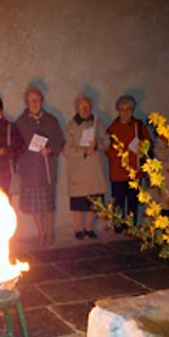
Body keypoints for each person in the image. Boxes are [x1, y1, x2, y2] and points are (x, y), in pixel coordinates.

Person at [15, 86, 65, 246]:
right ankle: (41, 233)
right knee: (36, 206)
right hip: (30, 170)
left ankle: (49, 233)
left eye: (37, 100)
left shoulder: (51, 120)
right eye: (31, 101)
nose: (35, 103)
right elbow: (17, 145)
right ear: (27, 102)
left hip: (47, 168)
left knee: (48, 205)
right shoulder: (20, 123)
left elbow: (59, 140)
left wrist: (50, 149)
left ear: (42, 101)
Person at [64, 94, 109, 239]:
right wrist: (83, 151)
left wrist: (97, 146)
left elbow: (107, 142)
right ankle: (78, 228)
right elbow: (67, 149)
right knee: (78, 202)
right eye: (82, 107)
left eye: (88, 107)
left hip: (94, 170)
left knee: (93, 202)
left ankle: (89, 228)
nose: (85, 109)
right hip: (78, 170)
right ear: (77, 108)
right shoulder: (70, 126)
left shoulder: (97, 123)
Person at [106, 94, 152, 231]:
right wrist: (121, 152)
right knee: (118, 202)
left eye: (128, 110)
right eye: (122, 110)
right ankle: (118, 226)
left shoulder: (139, 126)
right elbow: (107, 149)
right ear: (118, 111)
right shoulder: (112, 128)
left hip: (135, 172)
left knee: (133, 202)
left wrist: (143, 147)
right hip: (118, 172)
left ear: (132, 111)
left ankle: (131, 227)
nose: (125, 113)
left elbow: (149, 143)